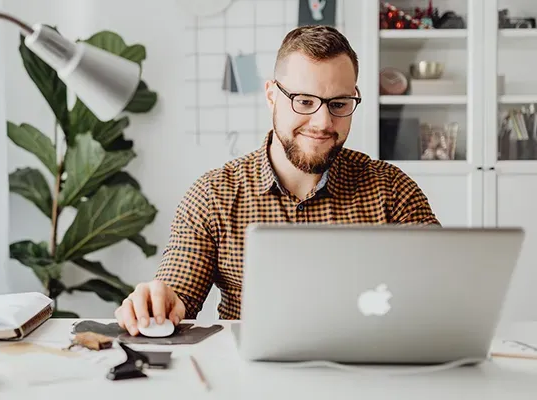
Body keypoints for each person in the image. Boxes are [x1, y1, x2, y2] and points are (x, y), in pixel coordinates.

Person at [114, 25, 440, 336]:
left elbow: (443, 286)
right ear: (272, 95)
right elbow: (178, 291)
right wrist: (160, 302)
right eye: (304, 101)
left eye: (339, 104)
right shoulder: (214, 194)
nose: (323, 122)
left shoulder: (392, 190)